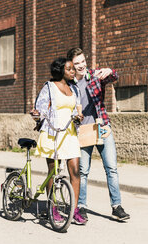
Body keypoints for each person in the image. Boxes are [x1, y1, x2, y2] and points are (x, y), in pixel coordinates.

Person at [67, 48, 130, 221]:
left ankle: (116, 206)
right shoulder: (69, 84)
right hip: (83, 131)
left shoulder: (94, 76)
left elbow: (113, 77)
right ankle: (81, 206)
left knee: (112, 168)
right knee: (83, 171)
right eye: (77, 63)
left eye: (83, 61)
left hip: (102, 127)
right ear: (72, 65)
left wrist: (111, 71)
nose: (81, 66)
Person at [33, 57, 86, 225]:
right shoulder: (49, 87)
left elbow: (77, 109)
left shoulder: (74, 88)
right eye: (69, 69)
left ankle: (74, 209)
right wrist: (36, 115)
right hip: (52, 133)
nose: (73, 71)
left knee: (75, 172)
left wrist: (79, 117)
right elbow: (40, 109)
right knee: (53, 172)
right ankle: (52, 207)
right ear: (61, 71)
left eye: (73, 69)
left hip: (69, 133)